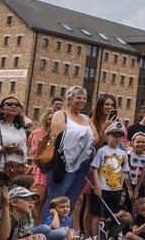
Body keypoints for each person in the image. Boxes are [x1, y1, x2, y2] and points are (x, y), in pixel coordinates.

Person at [42, 87, 97, 222]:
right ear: (69, 99)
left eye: (84, 98)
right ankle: (48, 229)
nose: (82, 101)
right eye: (78, 97)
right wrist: (83, 136)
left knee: (70, 201)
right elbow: (58, 135)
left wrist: (82, 137)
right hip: (64, 162)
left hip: (83, 163)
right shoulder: (61, 114)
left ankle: (63, 229)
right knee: (56, 199)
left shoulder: (85, 118)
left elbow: (95, 139)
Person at [88, 121, 133, 237]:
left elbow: (123, 171)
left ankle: (105, 234)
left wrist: (120, 187)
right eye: (114, 135)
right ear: (108, 136)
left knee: (111, 214)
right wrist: (97, 186)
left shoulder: (123, 154)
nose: (117, 138)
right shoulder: (102, 151)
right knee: (96, 214)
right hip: (102, 187)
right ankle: (95, 236)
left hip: (115, 189)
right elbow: (94, 169)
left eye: (119, 136)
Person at [0, 97, 29, 194]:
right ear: (1, 109)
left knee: (10, 199)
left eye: (17, 105)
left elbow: (24, 150)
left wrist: (16, 149)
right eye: (9, 104)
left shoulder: (20, 129)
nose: (13, 106)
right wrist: (2, 149)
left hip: (14, 170)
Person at [27, 112, 53, 216]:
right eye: (49, 119)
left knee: (45, 203)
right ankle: (29, 225)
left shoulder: (56, 133)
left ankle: (39, 226)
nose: (51, 121)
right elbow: (35, 152)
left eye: (53, 119)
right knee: (37, 199)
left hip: (52, 170)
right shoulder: (38, 133)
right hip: (41, 169)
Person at [127, 132, 145, 204]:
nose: (140, 144)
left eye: (143, 142)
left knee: (137, 204)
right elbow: (125, 172)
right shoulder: (128, 154)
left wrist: (136, 189)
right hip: (126, 182)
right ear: (133, 143)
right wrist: (129, 189)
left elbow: (143, 173)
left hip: (138, 183)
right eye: (138, 142)